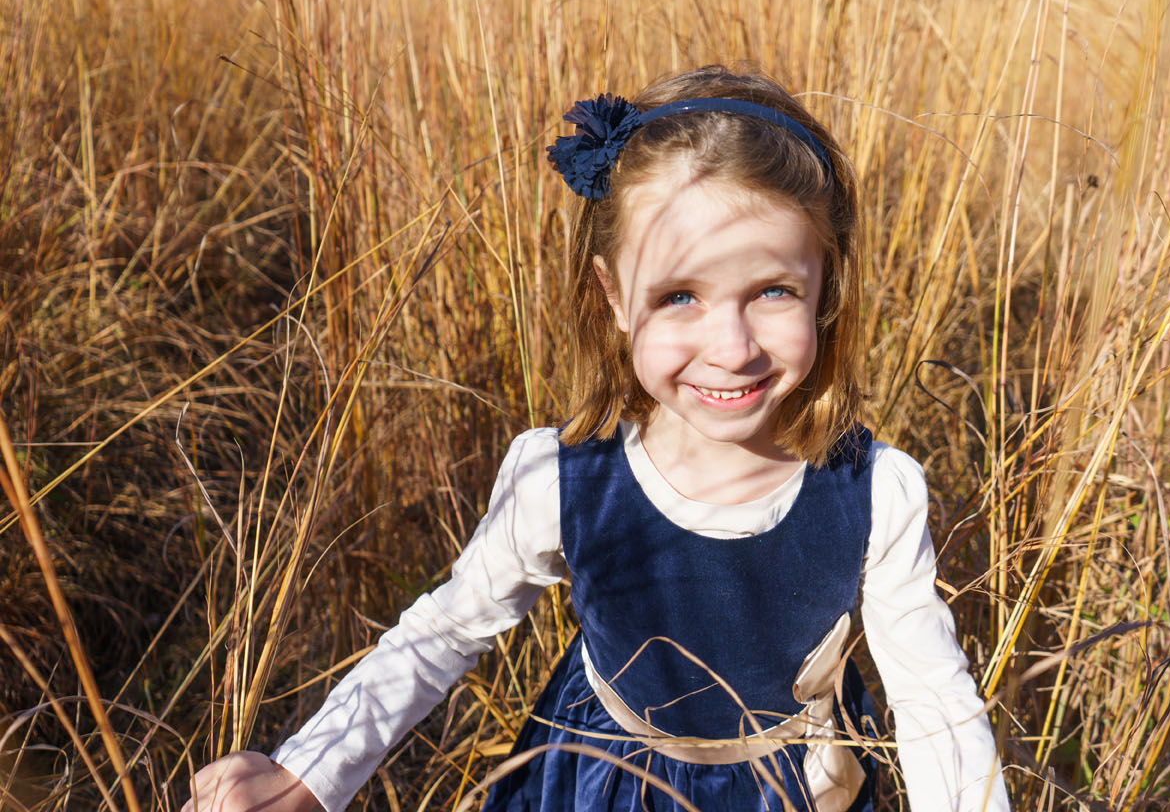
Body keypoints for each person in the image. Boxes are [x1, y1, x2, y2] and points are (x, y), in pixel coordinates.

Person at [182, 66, 1009, 812]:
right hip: (593, 785)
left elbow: (935, 701)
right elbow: (444, 632)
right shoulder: (562, 479)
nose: (732, 347)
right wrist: (308, 774)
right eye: (680, 295)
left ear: (826, 285)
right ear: (613, 295)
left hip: (790, 793)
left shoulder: (871, 490)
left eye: (773, 291)